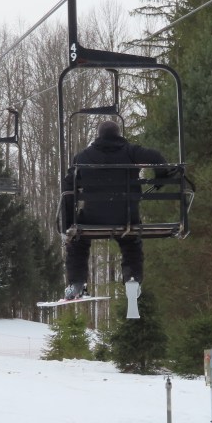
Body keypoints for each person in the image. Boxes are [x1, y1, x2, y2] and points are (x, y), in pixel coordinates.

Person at [61, 120, 171, 299]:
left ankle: (77, 283)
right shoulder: (131, 151)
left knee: (78, 240)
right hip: (126, 216)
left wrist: (67, 222)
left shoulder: (83, 157)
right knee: (131, 242)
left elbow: (67, 186)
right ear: (118, 134)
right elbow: (157, 157)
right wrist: (161, 177)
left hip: (93, 218)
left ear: (99, 135)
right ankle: (132, 280)